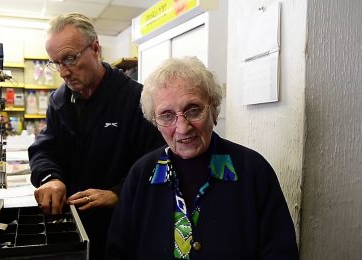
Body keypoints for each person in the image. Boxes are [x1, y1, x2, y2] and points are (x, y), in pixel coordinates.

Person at [106, 57, 299, 259]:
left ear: (214, 110)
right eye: (167, 115)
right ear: (154, 121)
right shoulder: (142, 175)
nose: (182, 127)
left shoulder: (253, 171)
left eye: (194, 110)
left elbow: (281, 253)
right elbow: (118, 252)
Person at [28, 13, 164, 259]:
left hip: (122, 228)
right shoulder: (59, 101)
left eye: (70, 59)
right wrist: (50, 178)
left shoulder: (137, 99)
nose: (63, 72)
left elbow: (159, 164)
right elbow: (44, 149)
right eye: (56, 62)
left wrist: (118, 194)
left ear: (96, 49)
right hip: (73, 227)